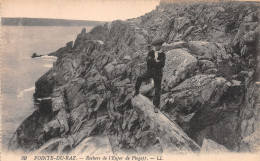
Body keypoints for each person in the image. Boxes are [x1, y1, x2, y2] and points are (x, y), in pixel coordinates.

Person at [134, 41, 166, 113]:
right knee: (139, 78)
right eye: (156, 46)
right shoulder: (150, 52)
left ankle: (156, 106)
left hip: (158, 73)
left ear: (160, 46)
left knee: (157, 89)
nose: (157, 47)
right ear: (154, 46)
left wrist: (153, 62)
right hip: (150, 71)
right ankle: (136, 91)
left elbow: (162, 64)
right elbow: (148, 62)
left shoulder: (163, 54)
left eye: (159, 46)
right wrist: (156, 62)